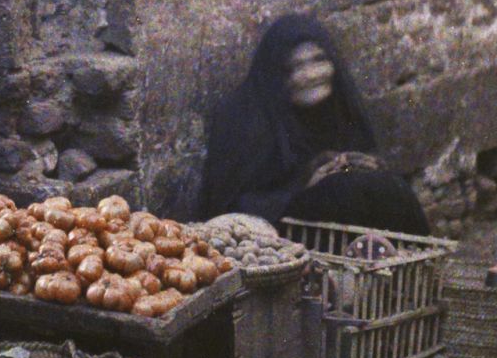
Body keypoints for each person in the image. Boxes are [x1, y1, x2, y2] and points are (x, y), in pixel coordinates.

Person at [170, 13, 431, 237]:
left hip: (336, 224)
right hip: (279, 233)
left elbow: (361, 157)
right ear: (276, 76)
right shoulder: (248, 118)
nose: (311, 75)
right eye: (294, 67)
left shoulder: (339, 104)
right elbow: (230, 210)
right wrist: (306, 185)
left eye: (319, 60)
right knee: (350, 190)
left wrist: (359, 164)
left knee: (388, 187)